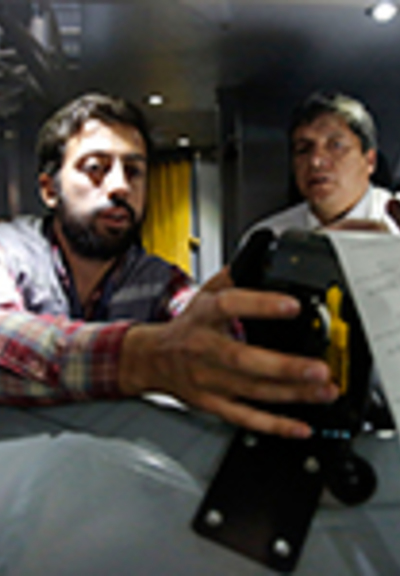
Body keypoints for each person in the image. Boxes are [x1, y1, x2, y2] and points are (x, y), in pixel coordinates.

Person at [0, 93, 338, 439]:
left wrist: (230, 343)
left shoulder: (157, 279)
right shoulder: (9, 249)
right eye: (96, 168)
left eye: (134, 171)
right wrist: (144, 359)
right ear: (49, 190)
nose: (120, 186)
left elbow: (200, 330)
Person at [242, 91, 400, 240]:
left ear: (370, 160)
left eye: (336, 146)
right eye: (303, 149)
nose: (315, 161)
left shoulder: (395, 227)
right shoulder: (270, 238)